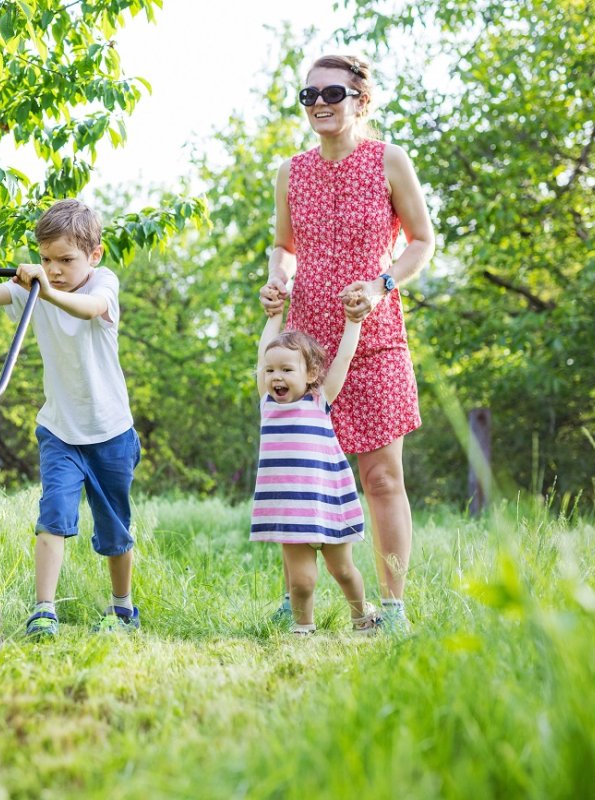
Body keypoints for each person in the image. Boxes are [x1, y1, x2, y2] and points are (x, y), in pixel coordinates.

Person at [260, 54, 435, 631]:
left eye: (332, 93)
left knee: (382, 478)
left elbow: (421, 241)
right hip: (306, 349)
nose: (319, 104)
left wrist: (382, 286)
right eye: (309, 96)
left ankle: (392, 608)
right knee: (302, 474)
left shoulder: (389, 160)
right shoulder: (291, 172)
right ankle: (297, 597)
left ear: (362, 99)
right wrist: (278, 277)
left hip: (374, 336)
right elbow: (284, 246)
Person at [0, 199, 141, 638]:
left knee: (114, 530)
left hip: (110, 433)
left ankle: (122, 609)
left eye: (66, 260)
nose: (54, 269)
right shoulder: (35, 288)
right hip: (59, 431)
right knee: (52, 517)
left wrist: (45, 287)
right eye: (46, 259)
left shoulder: (103, 283)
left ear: (94, 255)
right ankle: (44, 610)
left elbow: (89, 308)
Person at [252, 293, 380, 635]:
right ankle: (303, 629)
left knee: (343, 571)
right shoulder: (268, 405)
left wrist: (353, 323)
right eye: (270, 371)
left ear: (310, 374)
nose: (276, 377)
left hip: (328, 503)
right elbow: (263, 353)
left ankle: (362, 617)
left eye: (286, 370)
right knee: (302, 581)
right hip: (291, 510)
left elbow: (344, 358)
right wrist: (274, 317)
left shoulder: (319, 400)